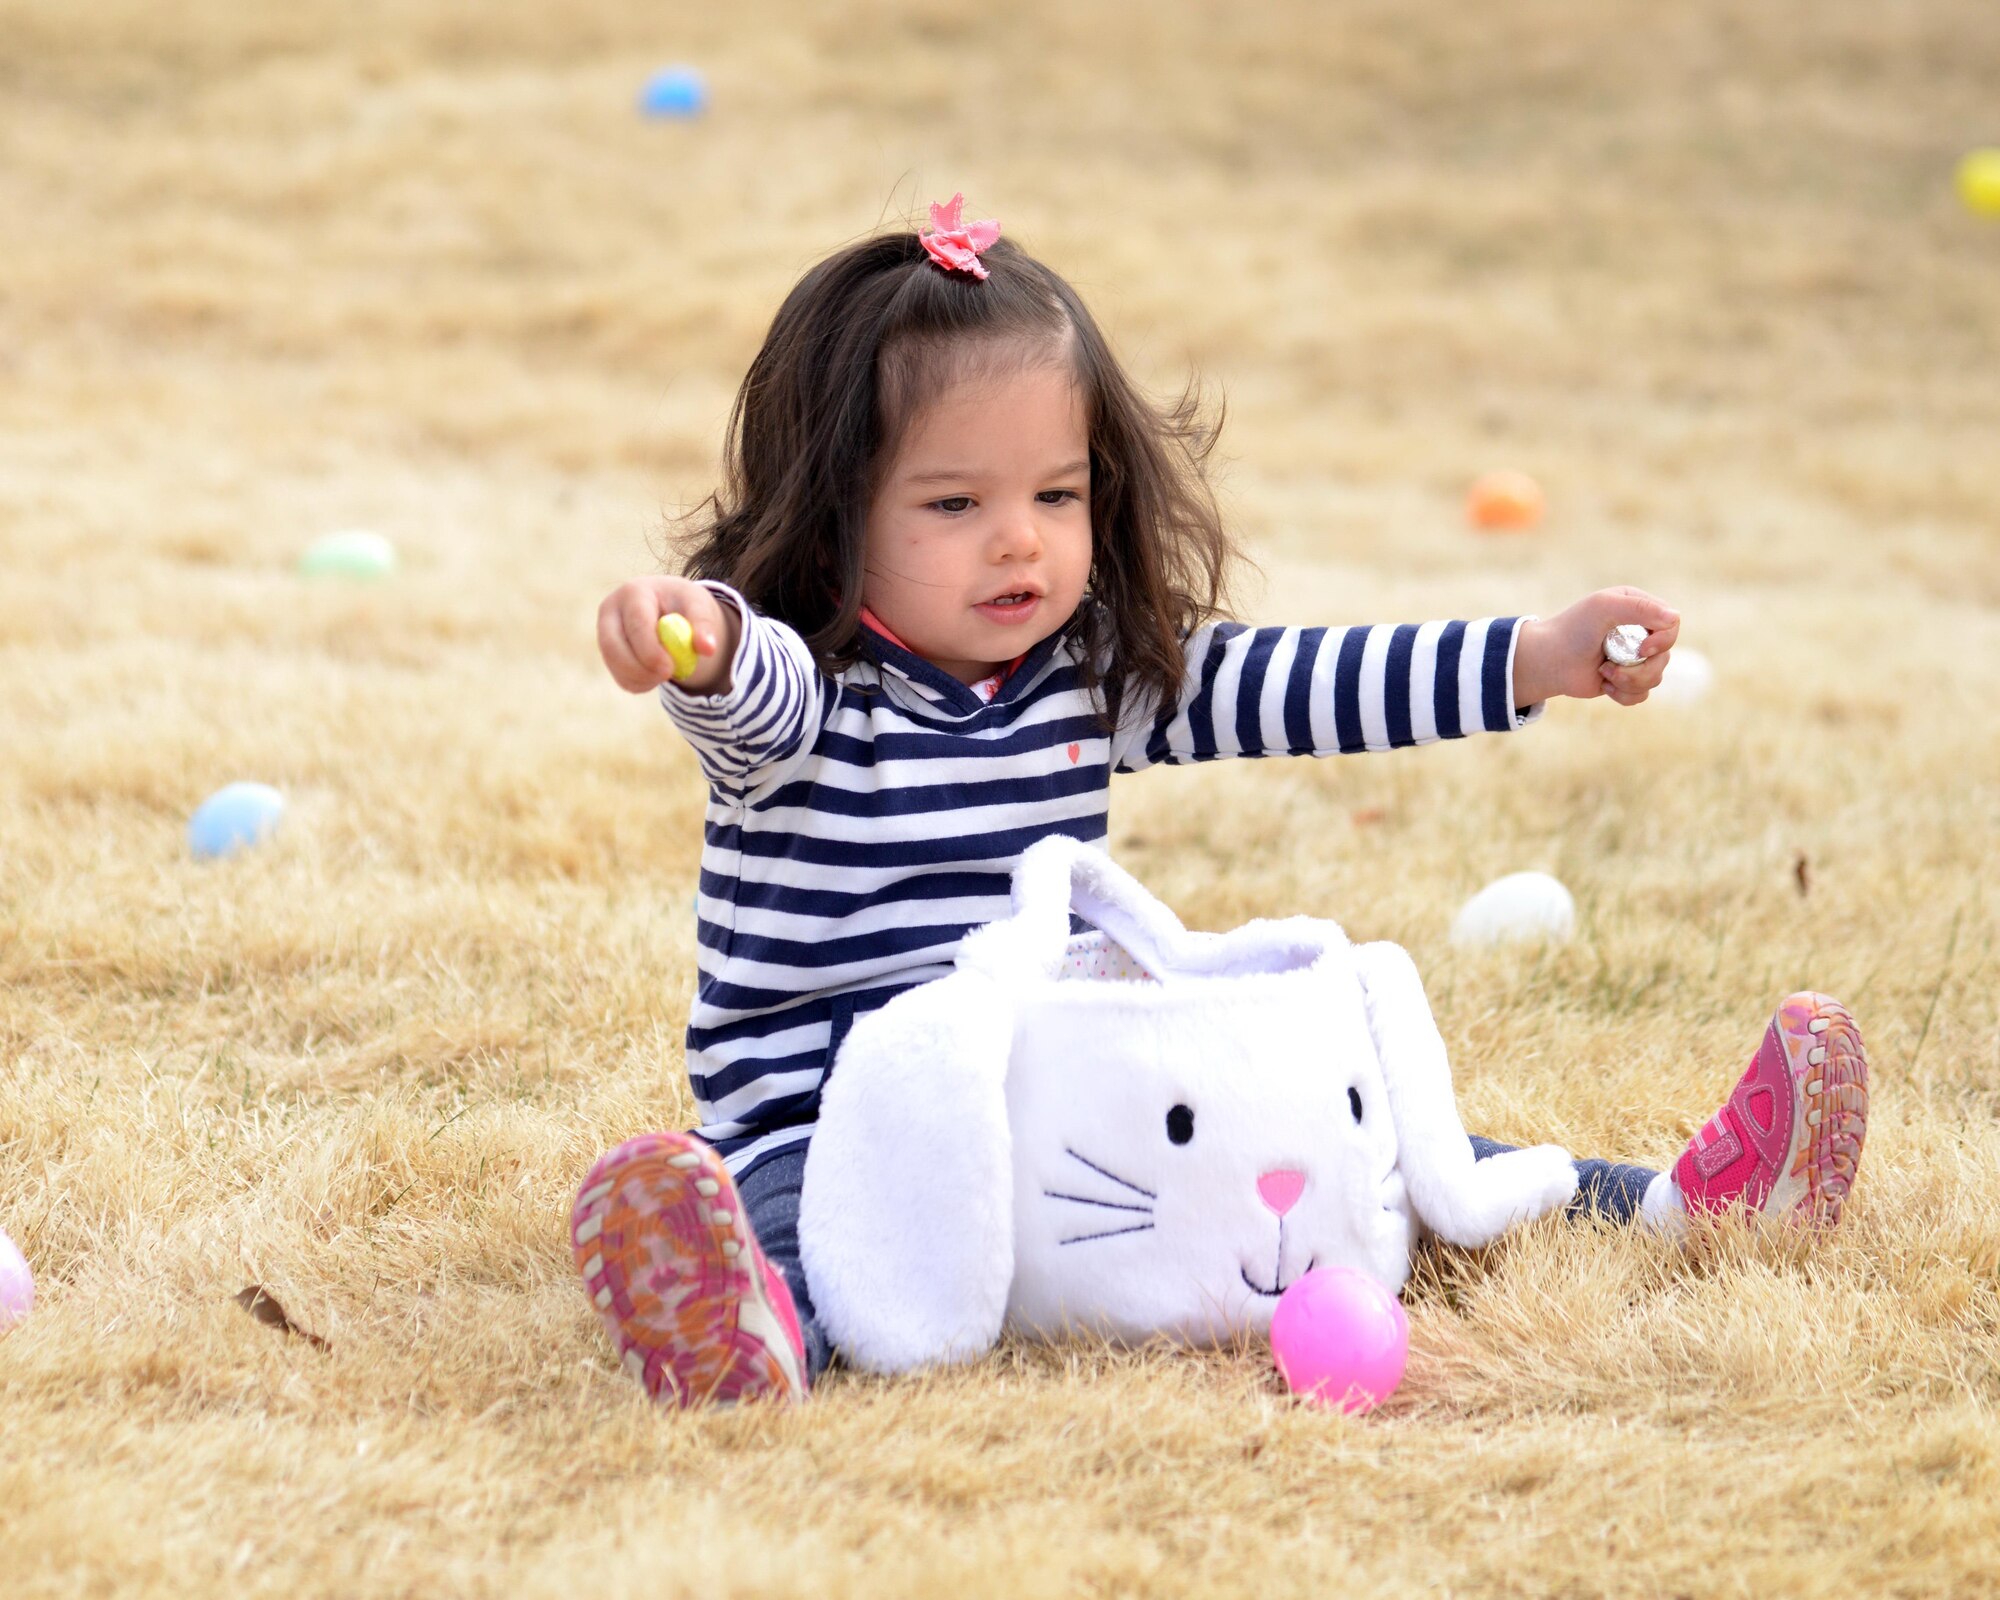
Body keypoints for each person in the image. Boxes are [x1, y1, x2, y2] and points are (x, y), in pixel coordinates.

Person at [572, 196, 1869, 1407]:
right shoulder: (814, 704)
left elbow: (1307, 682)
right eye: (955, 503)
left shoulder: (1083, 683)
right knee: (831, 1233)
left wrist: (1537, 655)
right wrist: (701, 638)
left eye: (1057, 495)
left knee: (1358, 1145)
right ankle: (748, 1326)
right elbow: (751, 681)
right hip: (831, 1110)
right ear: (832, 511)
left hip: (1051, 1108)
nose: (1019, 539)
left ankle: (1684, 1206)